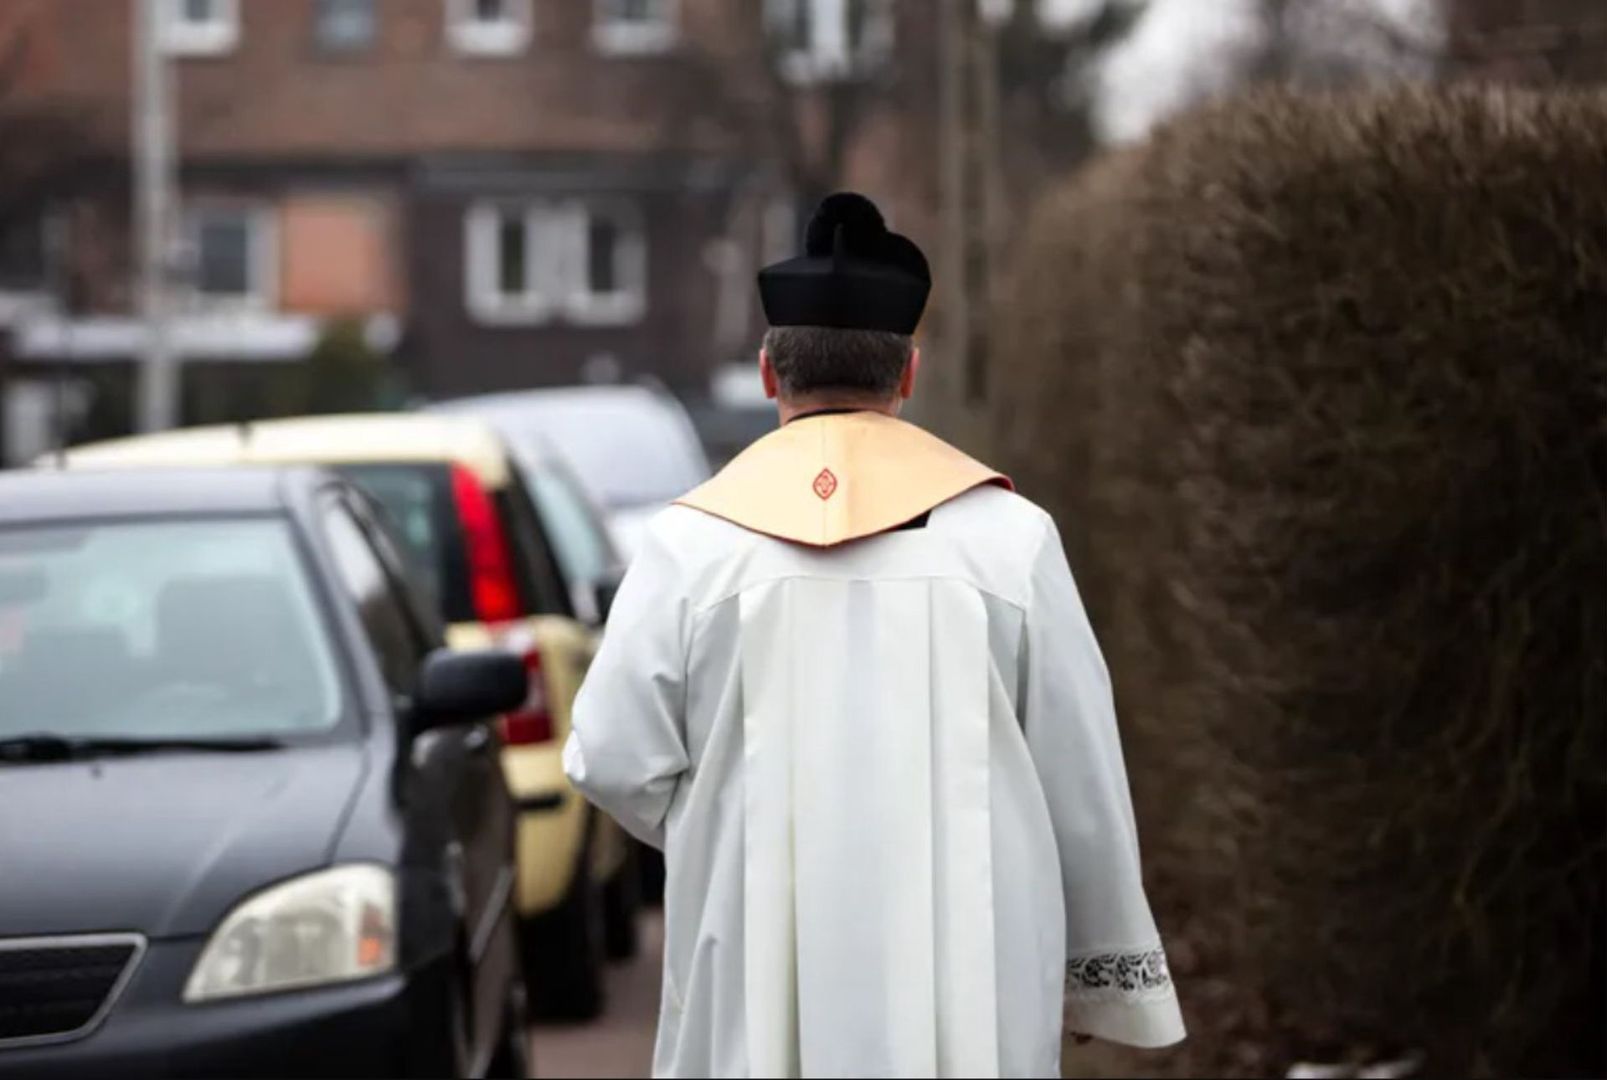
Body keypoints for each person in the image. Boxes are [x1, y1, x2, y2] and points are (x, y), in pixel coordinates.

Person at [564, 192, 1185, 1078]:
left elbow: (611, 758)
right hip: (974, 968)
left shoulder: (688, 546)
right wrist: (1092, 976)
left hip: (749, 955)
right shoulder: (1010, 543)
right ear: (910, 373)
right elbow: (1076, 769)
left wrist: (734, 818)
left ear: (770, 374)